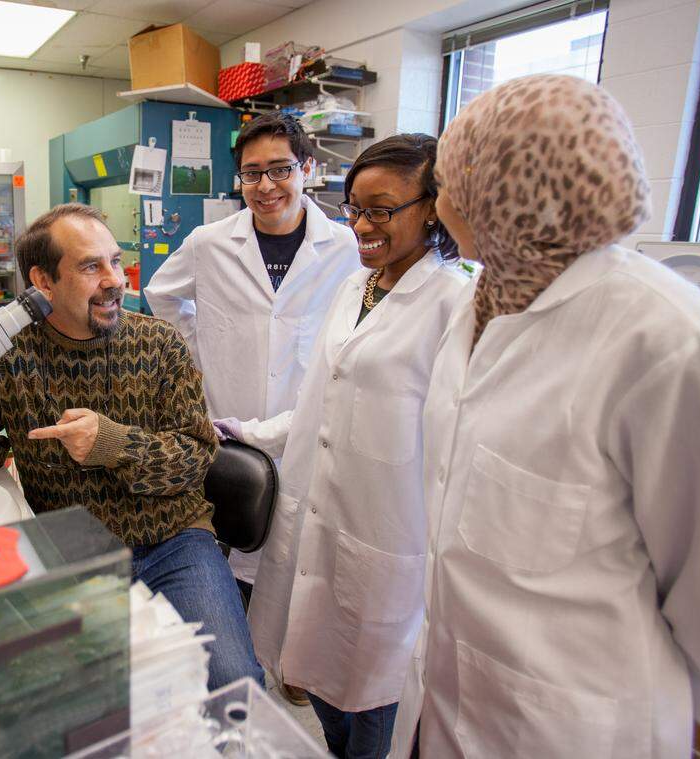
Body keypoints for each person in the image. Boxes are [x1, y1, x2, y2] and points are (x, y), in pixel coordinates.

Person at [389, 75, 700, 758]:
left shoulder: (673, 344)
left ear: (510, 188)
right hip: (447, 694)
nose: (439, 205)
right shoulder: (483, 295)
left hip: (575, 723)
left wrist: (674, 708)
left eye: (449, 184)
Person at [0, 203, 263, 692]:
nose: (114, 279)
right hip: (68, 552)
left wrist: (111, 443)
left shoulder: (160, 344)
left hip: (174, 544)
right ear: (43, 282)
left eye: (115, 260)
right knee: (68, 697)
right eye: (91, 267)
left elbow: (195, 459)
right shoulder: (6, 356)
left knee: (232, 682)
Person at [226, 134, 469, 758]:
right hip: (316, 522)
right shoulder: (354, 287)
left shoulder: (457, 304)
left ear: (434, 207)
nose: (360, 225)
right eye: (354, 208)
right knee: (318, 678)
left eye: (380, 210)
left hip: (389, 540)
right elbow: (315, 402)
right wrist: (243, 432)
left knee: (377, 710)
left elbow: (460, 450)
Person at [144, 112, 359, 651]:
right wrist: (197, 354)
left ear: (307, 167)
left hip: (302, 425)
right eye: (251, 173)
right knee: (237, 542)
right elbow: (161, 294)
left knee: (303, 550)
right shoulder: (210, 242)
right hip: (231, 422)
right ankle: (243, 653)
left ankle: (294, 656)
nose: (265, 186)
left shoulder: (345, 247)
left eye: (280, 169)